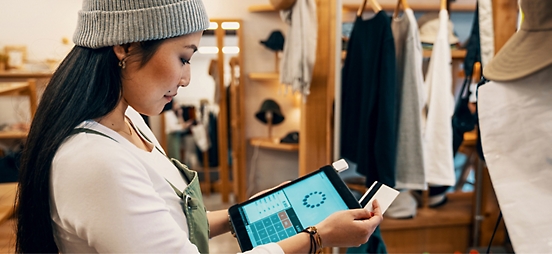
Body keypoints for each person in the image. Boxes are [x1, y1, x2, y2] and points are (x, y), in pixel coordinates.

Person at [15, 0, 384, 253]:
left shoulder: (131, 123)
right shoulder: (94, 161)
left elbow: (168, 223)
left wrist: (248, 210)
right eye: (183, 57)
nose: (187, 78)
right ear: (125, 46)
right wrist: (318, 237)